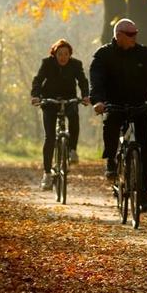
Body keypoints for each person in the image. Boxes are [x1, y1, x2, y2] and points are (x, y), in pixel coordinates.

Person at [89, 18, 147, 213]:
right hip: (114, 104)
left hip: (139, 105)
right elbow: (96, 80)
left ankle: (143, 195)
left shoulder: (144, 54)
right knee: (110, 128)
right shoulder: (103, 54)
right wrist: (98, 101)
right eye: (130, 35)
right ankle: (111, 161)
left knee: (145, 149)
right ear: (118, 36)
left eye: (136, 34)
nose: (135, 37)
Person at [31, 39, 89, 190]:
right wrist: (35, 95)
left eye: (66, 54)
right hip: (49, 100)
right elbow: (38, 80)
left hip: (69, 99)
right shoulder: (47, 63)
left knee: (74, 117)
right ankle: (47, 174)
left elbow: (83, 81)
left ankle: (72, 150)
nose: (63, 57)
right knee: (50, 137)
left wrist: (85, 95)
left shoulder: (76, 65)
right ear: (54, 54)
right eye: (60, 54)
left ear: (70, 54)